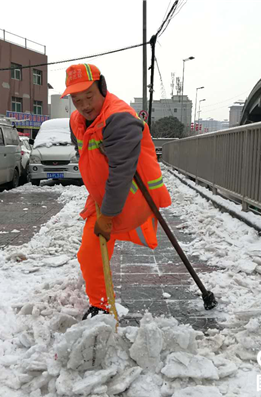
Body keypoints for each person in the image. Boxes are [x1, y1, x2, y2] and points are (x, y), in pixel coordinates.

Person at [61, 63, 172, 320]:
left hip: (134, 195)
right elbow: (85, 155)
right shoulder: (77, 120)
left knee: (100, 238)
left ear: (102, 87)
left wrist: (107, 216)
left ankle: (101, 305)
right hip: (105, 195)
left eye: (89, 96)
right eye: (77, 99)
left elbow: (121, 173)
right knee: (90, 253)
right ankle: (100, 306)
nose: (85, 105)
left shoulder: (119, 118)